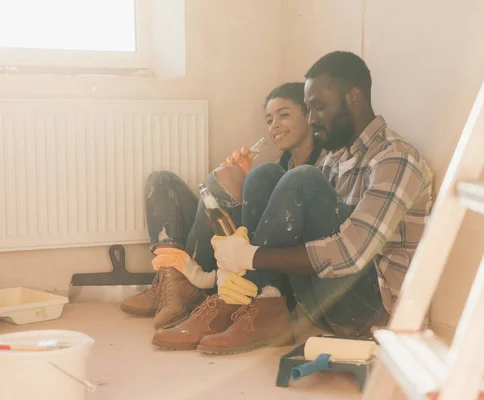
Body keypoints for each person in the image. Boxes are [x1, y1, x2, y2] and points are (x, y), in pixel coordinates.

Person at [190, 51, 434, 355]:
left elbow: (350, 254)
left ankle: (248, 304)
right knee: (264, 174)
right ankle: (257, 306)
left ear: (353, 98)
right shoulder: (336, 158)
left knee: (301, 178)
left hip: (376, 314)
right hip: (326, 301)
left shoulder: (396, 158)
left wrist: (249, 256)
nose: (312, 119)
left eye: (319, 107)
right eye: (308, 109)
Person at [119, 82, 325, 335]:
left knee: (225, 176)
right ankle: (172, 277)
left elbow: (278, 230)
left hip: (253, 267)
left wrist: (229, 182)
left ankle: (184, 285)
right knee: (161, 181)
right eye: (270, 120)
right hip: (228, 251)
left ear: (309, 115)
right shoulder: (277, 166)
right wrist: (236, 184)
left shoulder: (321, 171)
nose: (275, 126)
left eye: (284, 115)